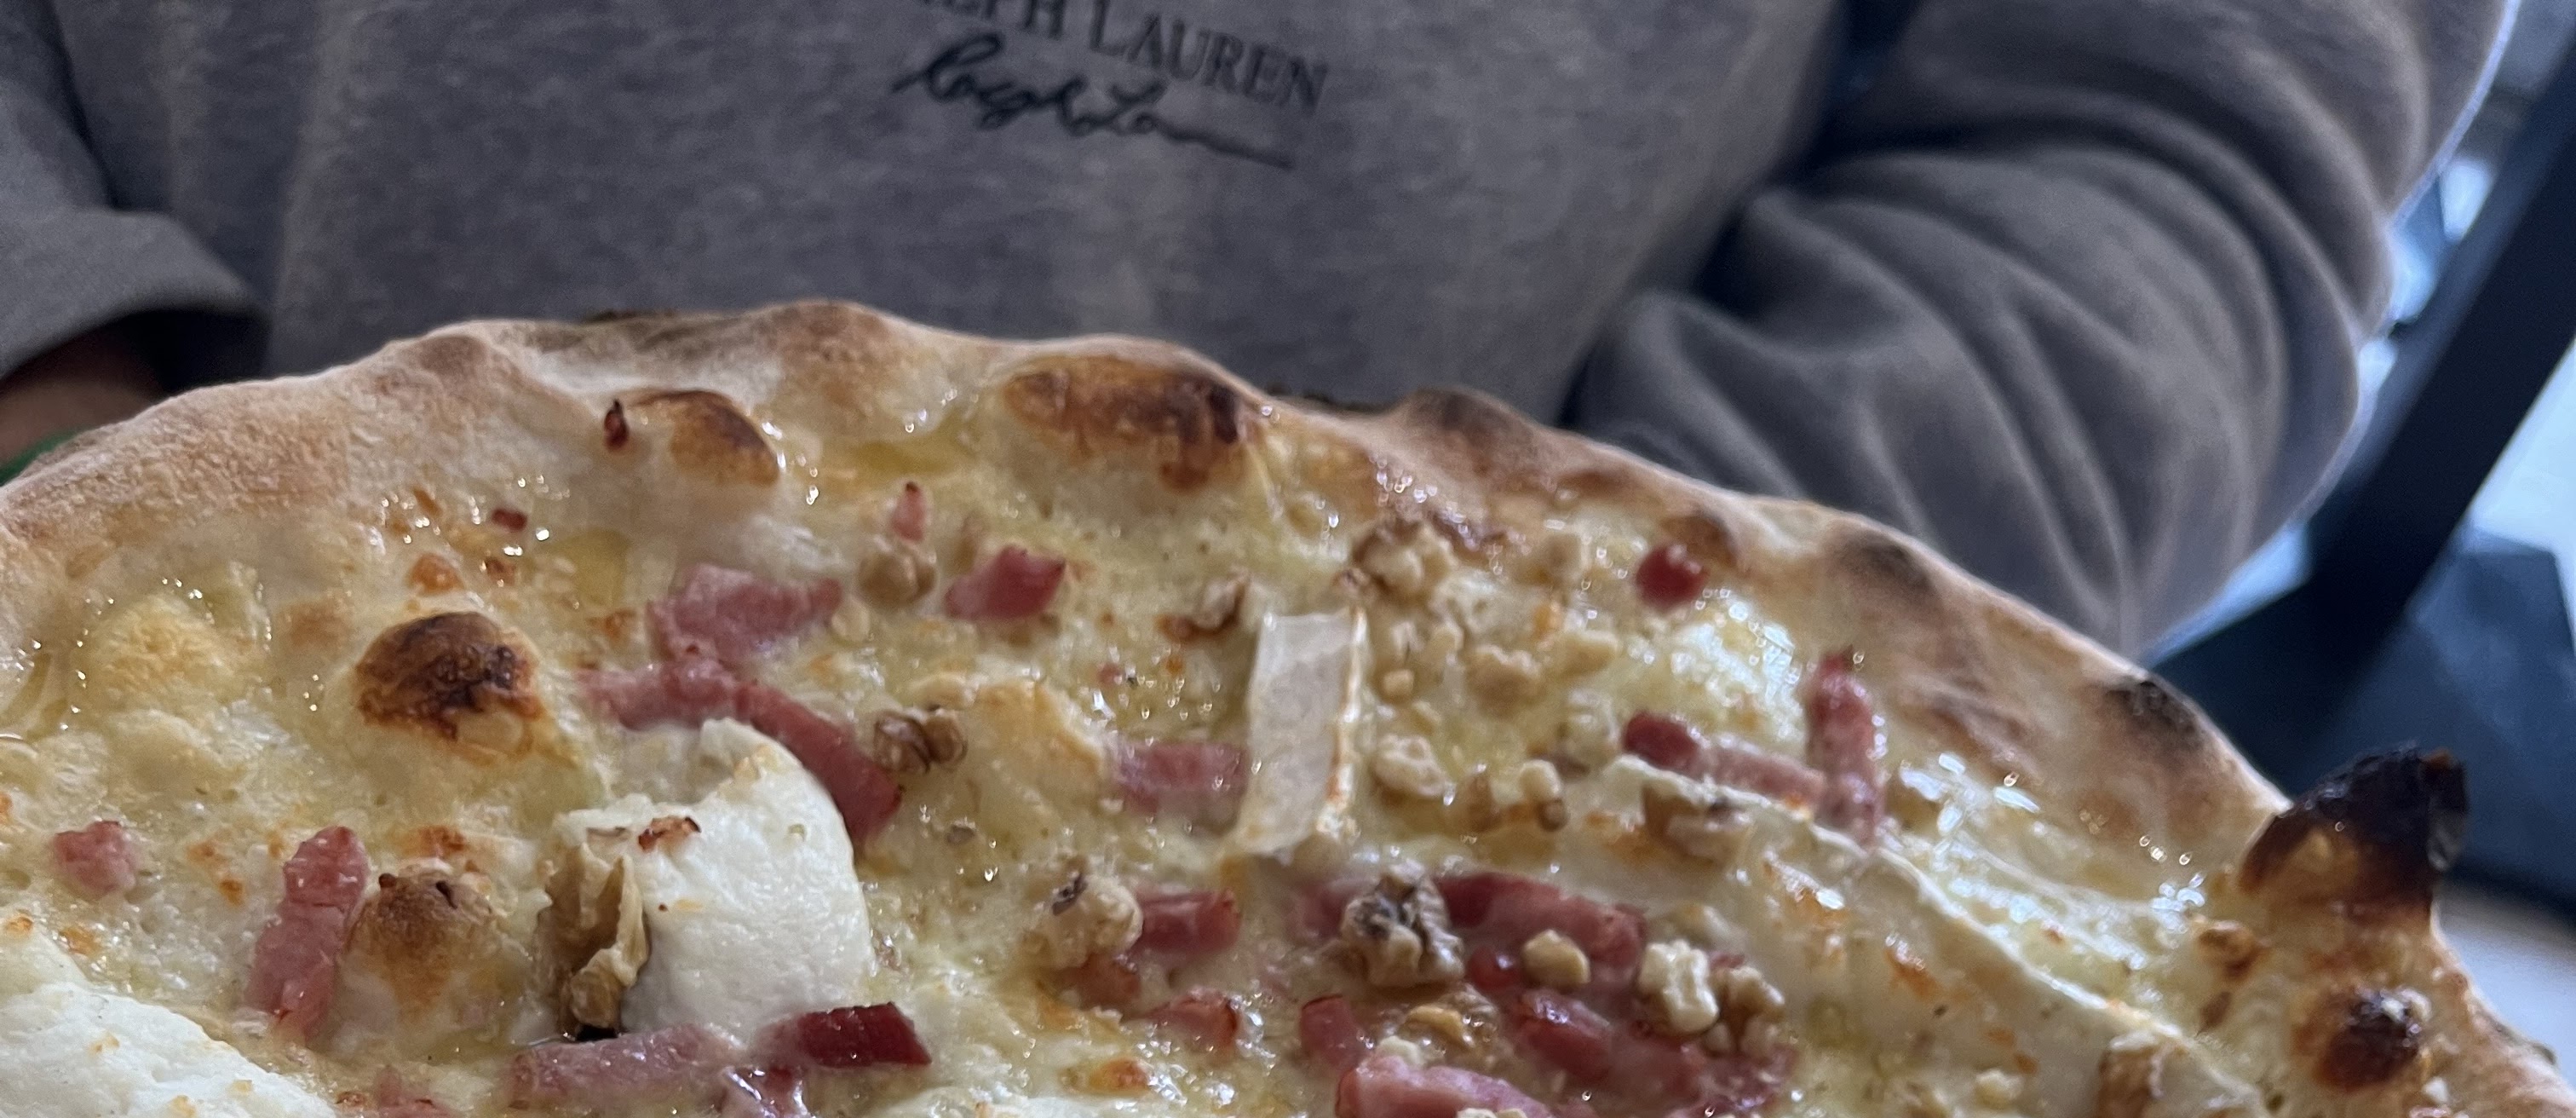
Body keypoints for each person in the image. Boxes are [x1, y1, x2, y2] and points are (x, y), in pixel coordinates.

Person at [0, 0, 2505, 654]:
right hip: (156, 670)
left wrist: (1594, 678)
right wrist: (60, 419)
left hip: (1499, 862)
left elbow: (2169, 137)